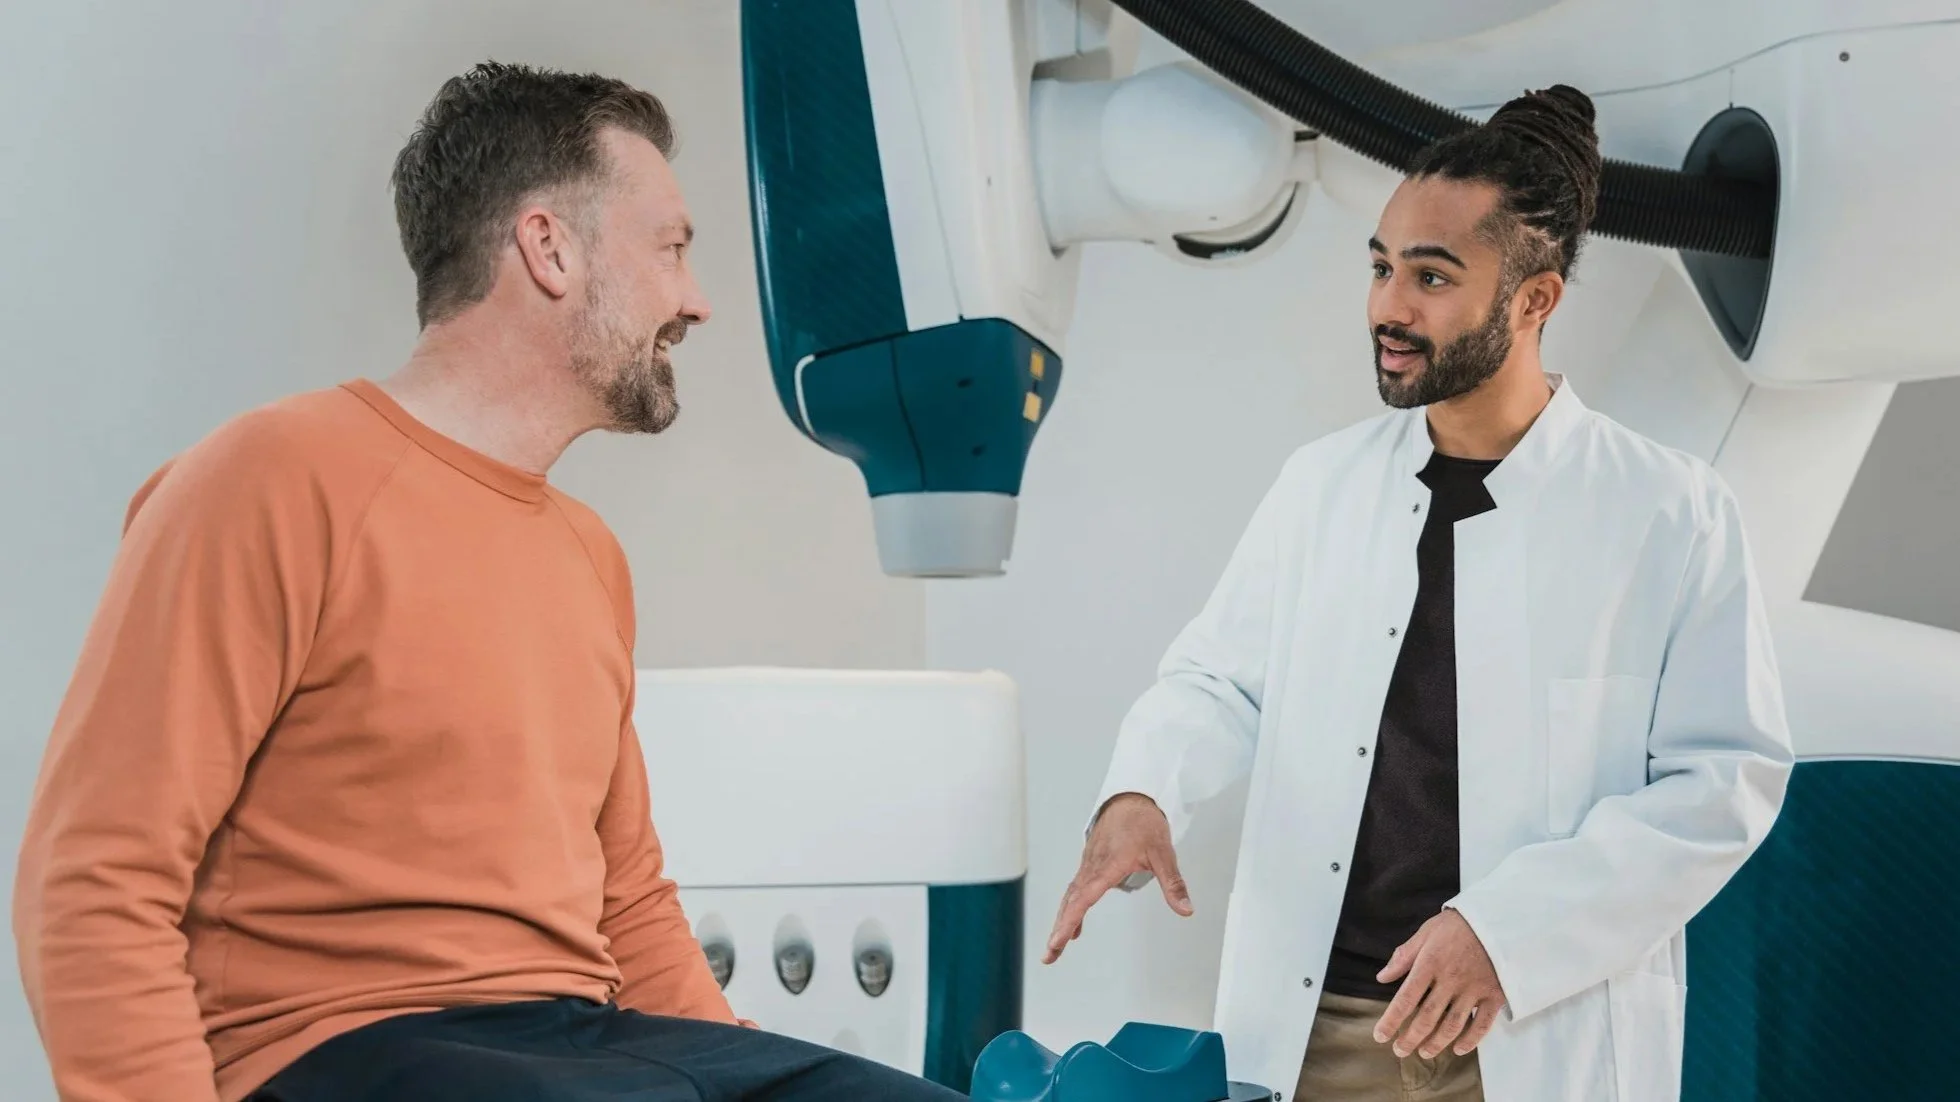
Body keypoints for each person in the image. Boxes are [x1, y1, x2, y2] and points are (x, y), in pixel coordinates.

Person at [13, 62, 965, 1102]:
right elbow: (96, 877)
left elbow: (628, 898)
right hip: (341, 1048)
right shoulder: (269, 479)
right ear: (548, 247)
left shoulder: (587, 552)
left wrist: (747, 1072)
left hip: (580, 1040)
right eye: (672, 249)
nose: (696, 302)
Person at [1043, 86, 1793, 1102]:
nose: (1388, 307)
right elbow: (1218, 679)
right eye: (1381, 267)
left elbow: (1722, 783)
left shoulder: (1670, 513)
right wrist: (1142, 790)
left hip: (1532, 1025)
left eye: (1431, 276)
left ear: (1534, 301)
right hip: (1324, 1033)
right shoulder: (1322, 484)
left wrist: (1504, 931)